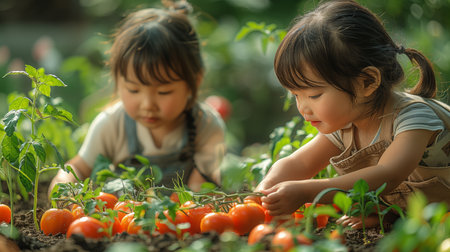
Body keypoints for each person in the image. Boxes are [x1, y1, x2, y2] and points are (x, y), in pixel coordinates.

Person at [253, 0, 449, 228]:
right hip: (425, 208)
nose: (303, 108)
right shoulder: (346, 125)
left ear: (367, 82)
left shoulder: (414, 119)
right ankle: (392, 215)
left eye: (314, 95)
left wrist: (306, 191)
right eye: (296, 95)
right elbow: (298, 163)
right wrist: (262, 193)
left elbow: (387, 175)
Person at [49, 0, 226, 196]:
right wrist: (64, 187)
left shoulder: (206, 125)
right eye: (133, 90)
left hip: (181, 222)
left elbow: (201, 187)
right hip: (122, 223)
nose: (148, 105)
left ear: (196, 79)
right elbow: (78, 168)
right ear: (117, 80)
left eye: (163, 92)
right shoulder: (112, 124)